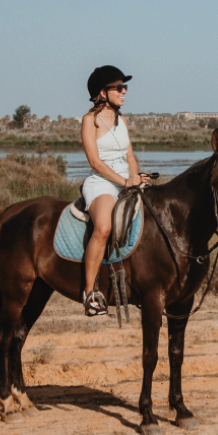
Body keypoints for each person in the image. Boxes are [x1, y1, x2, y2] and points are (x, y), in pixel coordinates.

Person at [79, 65, 147, 316]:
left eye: (124, 86)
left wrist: (135, 177)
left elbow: (130, 156)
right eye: (118, 87)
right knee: (104, 227)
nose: (124, 91)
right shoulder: (90, 120)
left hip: (125, 180)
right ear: (103, 93)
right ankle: (89, 293)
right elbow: (94, 162)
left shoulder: (122, 121)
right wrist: (123, 181)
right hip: (102, 182)